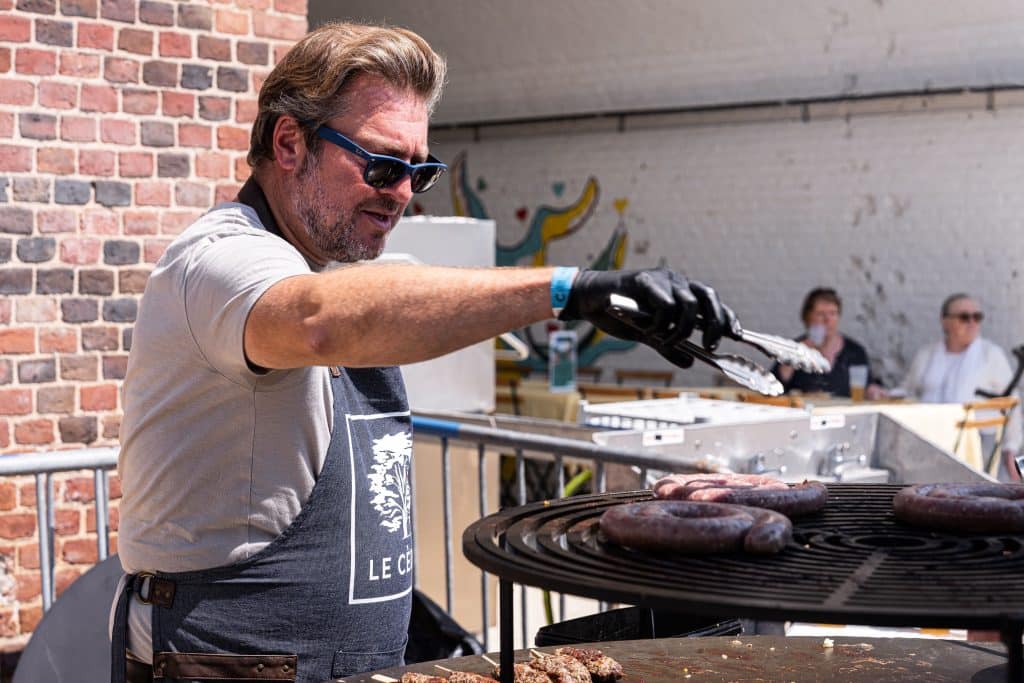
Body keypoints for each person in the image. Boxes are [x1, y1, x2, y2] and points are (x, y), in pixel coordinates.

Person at [109, 22, 744, 683]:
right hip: (227, 661)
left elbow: (383, 302)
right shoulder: (220, 257)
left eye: (421, 171)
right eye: (383, 164)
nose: (403, 192)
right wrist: (568, 289)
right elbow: (316, 322)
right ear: (290, 142)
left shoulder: (338, 267)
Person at [901, 293, 1022, 480]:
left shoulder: (990, 355)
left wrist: (1010, 449)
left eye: (977, 317)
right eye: (964, 317)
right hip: (927, 442)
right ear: (945, 321)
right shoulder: (927, 354)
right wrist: (882, 393)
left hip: (976, 444)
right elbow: (907, 391)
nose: (972, 323)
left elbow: (1012, 403)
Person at [773, 287, 884, 398]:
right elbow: (774, 387)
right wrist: (796, 354)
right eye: (821, 314)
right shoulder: (792, 349)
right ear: (808, 317)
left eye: (833, 313)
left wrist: (873, 390)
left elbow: (866, 386)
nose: (827, 320)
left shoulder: (854, 351)